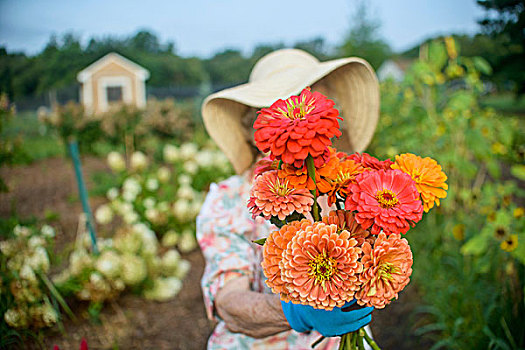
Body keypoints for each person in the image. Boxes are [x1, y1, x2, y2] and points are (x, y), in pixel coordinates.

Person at [197, 49, 380, 349]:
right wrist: (299, 311)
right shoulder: (228, 199)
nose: (299, 117)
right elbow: (229, 302)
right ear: (256, 123)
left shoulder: (345, 184)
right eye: (285, 104)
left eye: (309, 103)